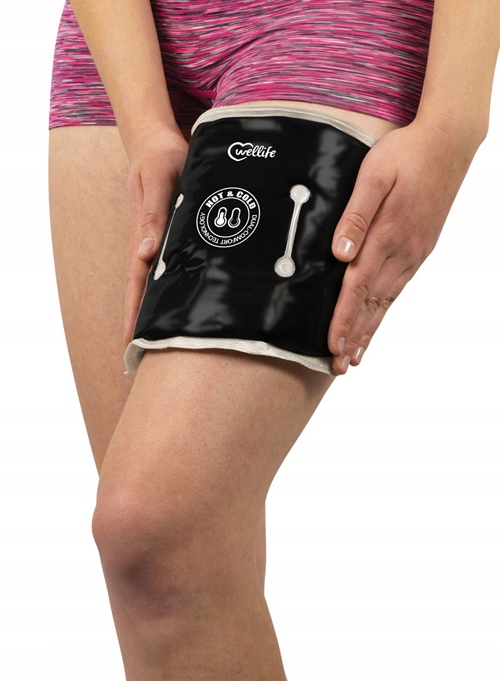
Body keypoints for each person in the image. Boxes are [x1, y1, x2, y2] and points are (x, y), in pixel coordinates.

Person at [47, 1, 499, 678]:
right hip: (116, 38)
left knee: (156, 527)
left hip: (328, 27)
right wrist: (145, 127)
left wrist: (455, 118)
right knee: (167, 586)